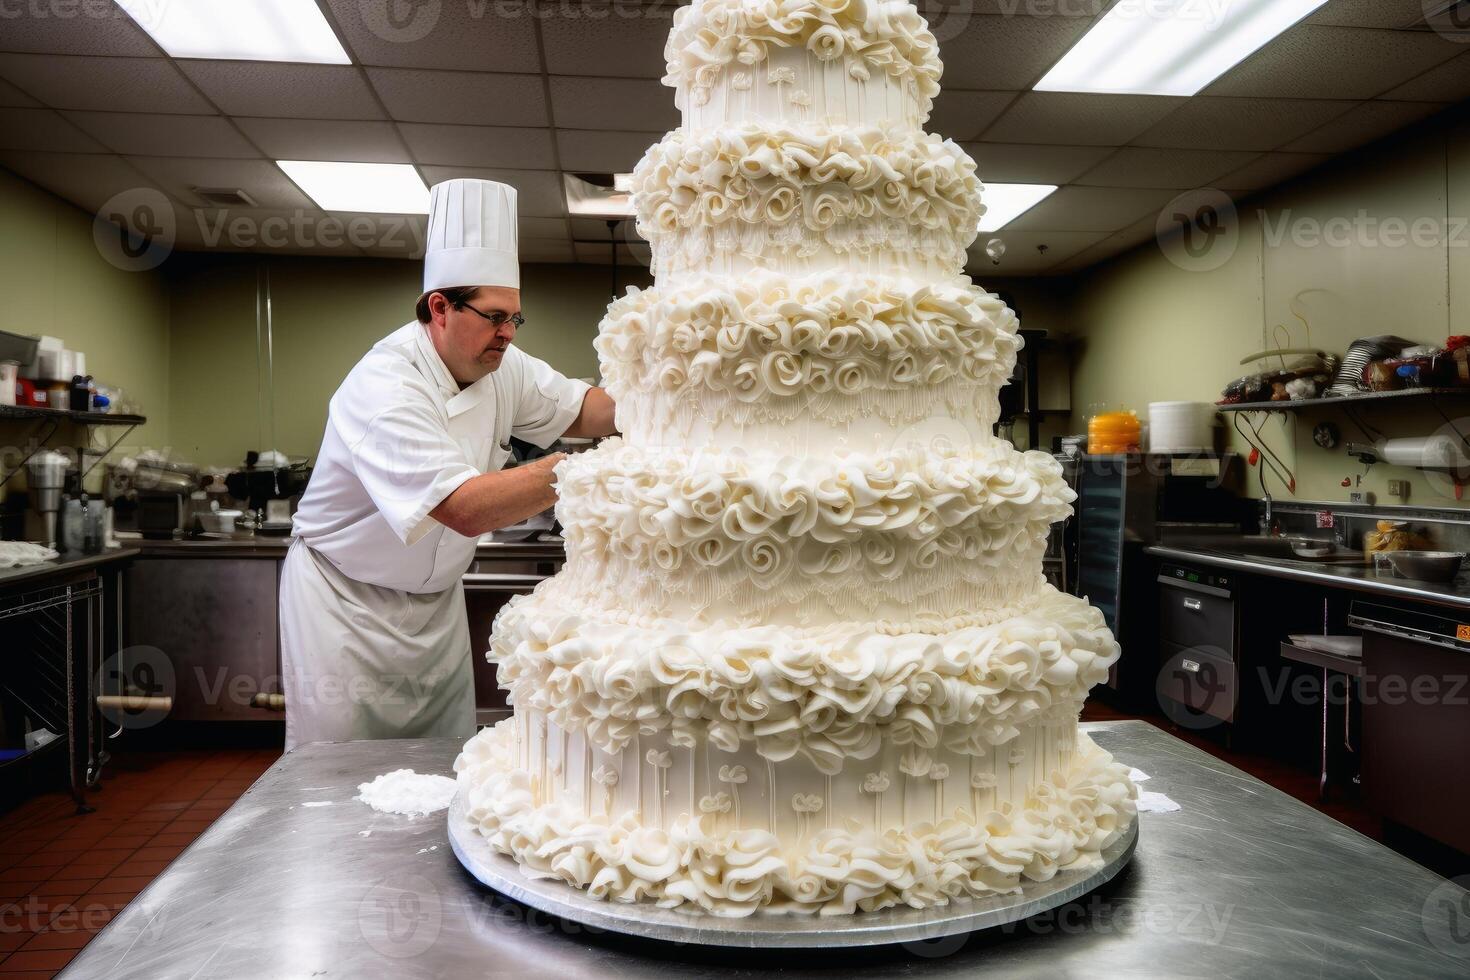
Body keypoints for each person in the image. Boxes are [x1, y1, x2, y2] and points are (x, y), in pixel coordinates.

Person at [278, 178, 617, 751]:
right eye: (493, 317)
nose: (507, 333)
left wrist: (678, 387)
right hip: (346, 608)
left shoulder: (500, 363)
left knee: (442, 763)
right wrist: (593, 473)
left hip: (434, 609)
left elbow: (588, 411)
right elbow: (463, 508)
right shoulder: (386, 385)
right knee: (339, 771)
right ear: (440, 307)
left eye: (515, 318)